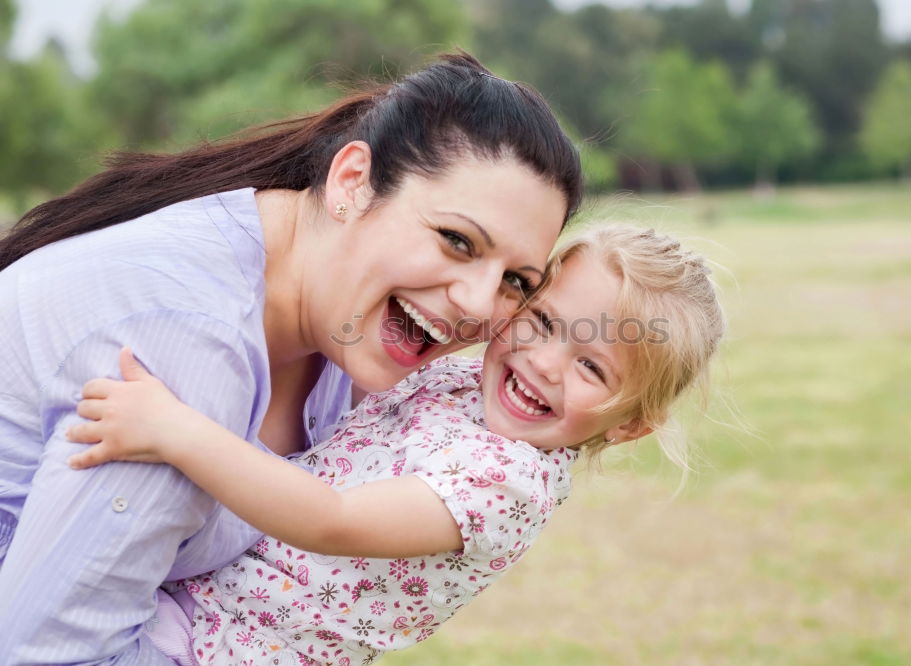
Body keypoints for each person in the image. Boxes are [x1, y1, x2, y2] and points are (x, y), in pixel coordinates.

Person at [0, 52, 582, 664]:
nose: (476, 303)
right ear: (352, 182)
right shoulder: (186, 346)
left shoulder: (342, 328)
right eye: (456, 240)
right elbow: (47, 653)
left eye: (516, 280)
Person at [65, 225, 727, 665]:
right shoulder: (475, 380)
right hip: (195, 593)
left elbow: (333, 519)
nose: (545, 363)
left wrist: (178, 432)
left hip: (224, 648)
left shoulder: (506, 484)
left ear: (631, 423)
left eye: (592, 367)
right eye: (545, 322)